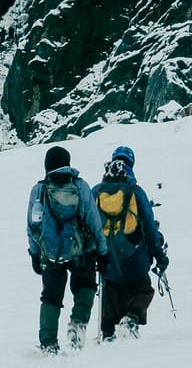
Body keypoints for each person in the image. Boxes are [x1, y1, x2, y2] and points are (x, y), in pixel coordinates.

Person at [27, 145, 104, 351]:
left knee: (51, 296)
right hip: (81, 250)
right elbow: (94, 221)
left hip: (50, 252)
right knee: (85, 286)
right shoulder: (80, 186)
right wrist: (102, 251)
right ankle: (77, 324)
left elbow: (32, 225)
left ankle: (48, 342)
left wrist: (34, 253)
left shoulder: (39, 190)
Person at [92, 146, 168, 339]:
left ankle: (108, 331)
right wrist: (159, 256)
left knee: (111, 288)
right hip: (134, 255)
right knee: (143, 288)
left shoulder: (97, 191)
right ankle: (131, 318)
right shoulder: (136, 192)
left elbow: (88, 224)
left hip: (106, 255)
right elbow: (149, 229)